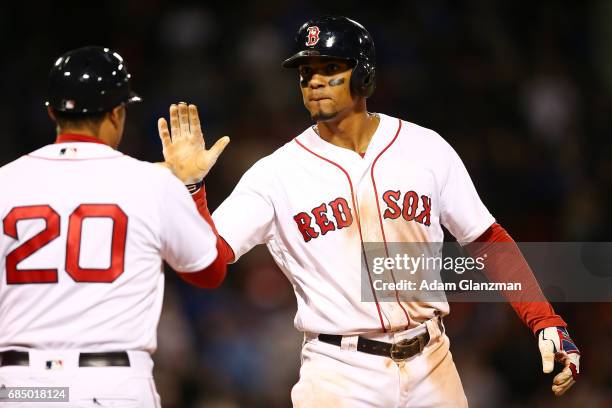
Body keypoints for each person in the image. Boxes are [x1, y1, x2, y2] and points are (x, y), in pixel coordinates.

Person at [158, 16, 580, 407]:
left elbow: (487, 240)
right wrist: (192, 190)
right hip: (339, 372)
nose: (314, 82)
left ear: (363, 74)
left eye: (329, 70)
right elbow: (206, 268)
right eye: (307, 74)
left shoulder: (424, 148)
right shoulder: (275, 174)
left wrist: (545, 320)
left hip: (431, 359)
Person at [0, 46, 226, 408]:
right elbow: (209, 271)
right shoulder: (150, 183)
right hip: (110, 383)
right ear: (118, 113)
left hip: (22, 386)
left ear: (51, 112)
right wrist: (191, 187)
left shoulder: (5, 182)